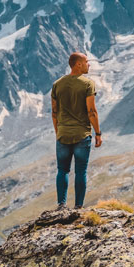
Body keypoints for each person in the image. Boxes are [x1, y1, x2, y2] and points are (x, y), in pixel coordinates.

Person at [50, 51, 102, 209]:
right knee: (81, 172)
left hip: (63, 134)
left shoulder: (57, 84)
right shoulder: (87, 84)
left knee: (62, 170)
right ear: (78, 64)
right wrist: (98, 133)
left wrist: (58, 131)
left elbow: (54, 112)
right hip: (81, 135)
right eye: (86, 61)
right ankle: (78, 207)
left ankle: (61, 205)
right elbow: (91, 111)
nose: (89, 64)